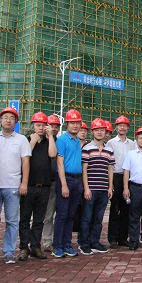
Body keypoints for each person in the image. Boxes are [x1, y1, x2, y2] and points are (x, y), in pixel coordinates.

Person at [0, 106, 31, 265]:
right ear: (0, 121)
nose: (8, 120)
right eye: (5, 117)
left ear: (16, 122)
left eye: (12, 118)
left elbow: (25, 162)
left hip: (13, 186)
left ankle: (9, 252)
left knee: (12, 221)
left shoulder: (21, 140)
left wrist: (24, 182)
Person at [18, 112, 57, 261]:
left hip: (44, 185)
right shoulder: (26, 140)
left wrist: (50, 136)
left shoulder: (49, 141)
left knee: (39, 219)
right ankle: (24, 247)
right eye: (38, 125)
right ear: (33, 126)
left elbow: (52, 154)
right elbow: (24, 157)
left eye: (43, 125)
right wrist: (33, 142)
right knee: (25, 218)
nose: (41, 128)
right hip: (29, 185)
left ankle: (35, 246)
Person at [80, 118, 115, 255]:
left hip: (103, 189)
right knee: (87, 217)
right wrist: (86, 188)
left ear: (105, 132)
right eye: (97, 130)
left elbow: (110, 169)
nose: (100, 132)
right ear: (92, 132)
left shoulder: (109, 150)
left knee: (98, 218)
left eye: (102, 130)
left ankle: (95, 242)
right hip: (91, 188)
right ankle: (84, 243)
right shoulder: (87, 148)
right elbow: (84, 169)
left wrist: (110, 187)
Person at [52, 109, 84, 259]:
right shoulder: (62, 140)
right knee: (62, 214)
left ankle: (66, 244)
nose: (75, 125)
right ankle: (57, 246)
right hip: (66, 179)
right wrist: (64, 184)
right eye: (72, 123)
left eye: (77, 123)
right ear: (67, 124)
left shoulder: (77, 141)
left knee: (71, 215)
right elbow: (60, 163)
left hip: (77, 180)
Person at [106, 115, 134, 249]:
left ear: (128, 128)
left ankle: (123, 237)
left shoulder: (132, 144)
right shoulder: (111, 143)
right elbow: (109, 164)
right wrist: (110, 183)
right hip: (116, 177)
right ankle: (112, 238)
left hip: (129, 178)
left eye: (125, 125)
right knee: (115, 208)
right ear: (116, 127)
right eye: (120, 125)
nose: (122, 127)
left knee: (126, 208)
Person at [42, 114, 61, 252]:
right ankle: (32, 242)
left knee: (49, 215)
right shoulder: (37, 140)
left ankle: (47, 241)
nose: (53, 128)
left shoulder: (59, 142)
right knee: (35, 216)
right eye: (51, 126)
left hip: (54, 183)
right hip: (38, 183)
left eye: (56, 126)